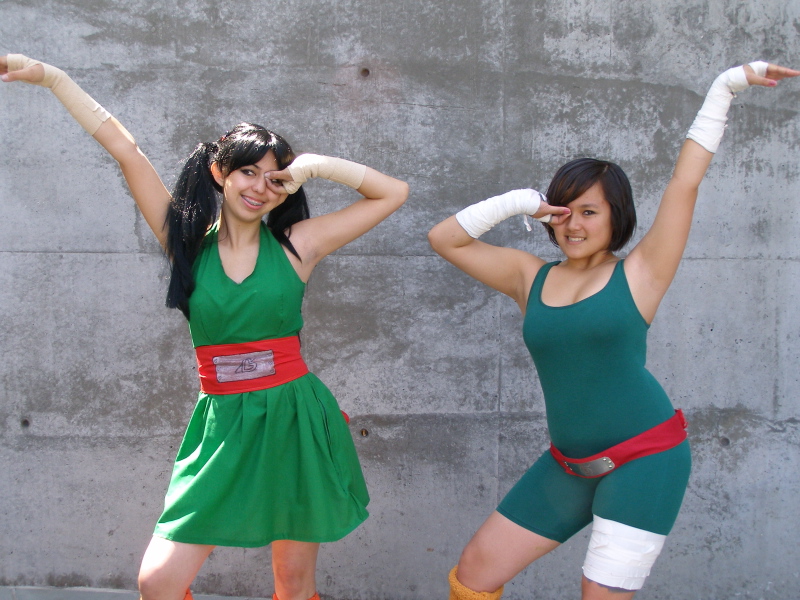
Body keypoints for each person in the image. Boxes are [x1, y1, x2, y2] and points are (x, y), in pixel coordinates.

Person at [1, 54, 408, 600]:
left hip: (293, 416)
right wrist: (52, 78)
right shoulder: (186, 242)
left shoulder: (299, 245)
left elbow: (393, 193)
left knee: (293, 581)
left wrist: (315, 166)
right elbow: (126, 149)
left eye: (275, 179)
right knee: (158, 581)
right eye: (248, 172)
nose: (260, 188)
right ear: (220, 173)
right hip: (222, 422)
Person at [428, 61, 798, 599]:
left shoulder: (641, 272)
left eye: (590, 212)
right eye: (564, 211)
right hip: (568, 465)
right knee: (475, 572)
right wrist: (518, 204)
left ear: (614, 215)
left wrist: (725, 88)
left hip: (647, 459)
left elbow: (685, 183)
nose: (574, 225)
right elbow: (444, 239)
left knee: (599, 593)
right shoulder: (529, 276)